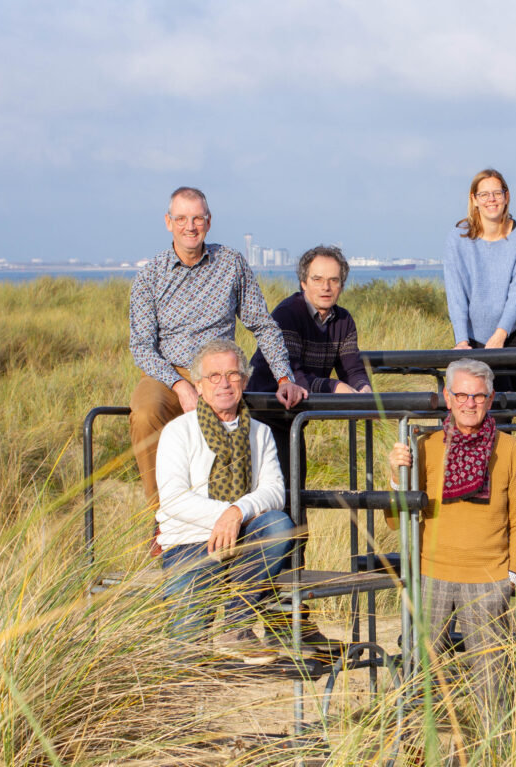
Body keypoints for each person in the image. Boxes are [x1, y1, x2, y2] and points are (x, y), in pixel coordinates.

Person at [129, 187, 307, 548]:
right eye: (181, 218)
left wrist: (284, 376)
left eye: (197, 218)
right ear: (168, 223)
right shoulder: (149, 277)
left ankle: (255, 522)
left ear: (208, 222)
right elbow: (141, 348)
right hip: (171, 372)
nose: (189, 226)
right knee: (146, 411)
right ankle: (162, 517)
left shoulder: (231, 263)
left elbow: (262, 324)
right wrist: (180, 385)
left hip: (222, 370)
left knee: (268, 420)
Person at [386, 358, 516, 703]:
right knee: (417, 674)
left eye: (478, 396)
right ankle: (415, 750)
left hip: (488, 579)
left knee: (491, 685)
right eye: (462, 395)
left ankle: (493, 750)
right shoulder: (425, 445)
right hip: (432, 573)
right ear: (447, 398)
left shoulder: (508, 448)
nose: (470, 403)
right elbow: (396, 520)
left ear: (491, 398)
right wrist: (395, 477)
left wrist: (511, 576)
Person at [155, 339, 295, 662]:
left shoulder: (259, 432)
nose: (224, 383)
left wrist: (237, 511)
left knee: (278, 524)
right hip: (190, 546)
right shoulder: (178, 433)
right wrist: (224, 516)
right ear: (199, 387)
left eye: (233, 375)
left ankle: (237, 626)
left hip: (245, 542)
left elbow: (275, 490)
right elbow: (174, 500)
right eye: (214, 376)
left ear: (244, 382)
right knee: (186, 656)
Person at [247, 245, 372, 485]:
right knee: (277, 496)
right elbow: (294, 376)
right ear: (303, 283)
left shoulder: (343, 320)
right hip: (265, 415)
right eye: (318, 279)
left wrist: (364, 390)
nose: (326, 287)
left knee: (296, 496)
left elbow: (352, 368)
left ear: (342, 285)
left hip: (295, 419)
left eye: (333, 280)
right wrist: (335, 387)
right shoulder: (287, 314)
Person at [444, 169, 516, 393]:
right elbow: (456, 294)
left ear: (506, 197)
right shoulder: (457, 239)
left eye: (497, 193)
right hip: (472, 336)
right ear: (474, 199)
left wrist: (500, 334)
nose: (491, 200)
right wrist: (461, 340)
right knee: (474, 403)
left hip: (512, 334)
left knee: (505, 405)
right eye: (484, 194)